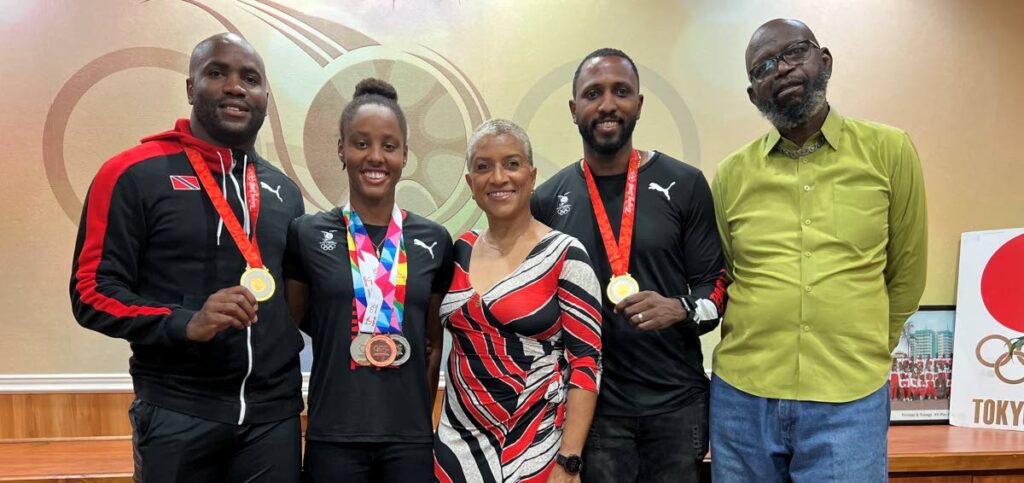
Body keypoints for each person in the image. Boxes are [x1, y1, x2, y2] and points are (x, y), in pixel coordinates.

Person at [70, 33, 305, 481]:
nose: (236, 87)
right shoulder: (131, 173)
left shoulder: (284, 192)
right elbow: (91, 292)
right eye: (218, 73)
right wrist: (185, 322)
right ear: (191, 88)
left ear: (265, 98)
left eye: (250, 78)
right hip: (178, 408)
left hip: (273, 416)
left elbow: (298, 299)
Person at [710, 18, 928, 482]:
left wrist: (864, 348)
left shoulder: (889, 151)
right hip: (743, 401)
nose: (782, 69)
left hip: (849, 399)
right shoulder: (730, 175)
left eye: (794, 52)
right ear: (753, 95)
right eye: (763, 66)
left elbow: (907, 273)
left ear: (823, 60)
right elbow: (729, 273)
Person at [531, 48, 727, 483]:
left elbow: (716, 286)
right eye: (593, 93)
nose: (607, 104)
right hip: (593, 410)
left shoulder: (685, 184)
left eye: (621, 91)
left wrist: (679, 308)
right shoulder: (547, 200)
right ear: (573, 108)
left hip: (677, 405)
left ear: (638, 104)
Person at [285, 78, 453, 482]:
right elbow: (302, 322)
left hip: (409, 440)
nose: (375, 157)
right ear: (341, 149)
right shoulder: (306, 235)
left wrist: (414, 417)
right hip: (333, 436)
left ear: (404, 155)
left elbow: (431, 343)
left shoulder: (434, 240)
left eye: (389, 146)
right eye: (361, 143)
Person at [434, 119, 603, 483]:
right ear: (470, 183)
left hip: (535, 448)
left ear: (531, 175)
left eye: (511, 163)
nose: (498, 178)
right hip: (455, 447)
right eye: (483, 167)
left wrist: (569, 460)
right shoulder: (457, 249)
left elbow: (587, 363)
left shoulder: (566, 255)